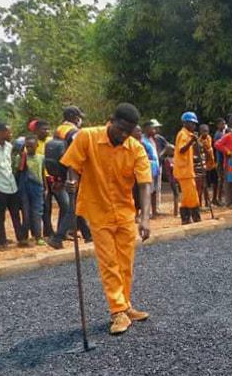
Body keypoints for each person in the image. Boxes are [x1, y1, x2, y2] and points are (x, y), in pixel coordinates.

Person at [60, 103, 152, 336]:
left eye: (128, 132)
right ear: (111, 120)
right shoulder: (87, 137)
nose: (123, 135)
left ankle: (126, 305)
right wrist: (72, 180)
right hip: (97, 211)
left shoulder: (135, 148)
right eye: (121, 129)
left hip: (124, 212)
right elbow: (73, 164)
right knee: (109, 263)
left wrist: (146, 218)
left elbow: (145, 184)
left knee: (126, 263)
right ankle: (117, 311)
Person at [46, 106, 92, 248]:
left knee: (78, 203)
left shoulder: (59, 130)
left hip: (62, 171)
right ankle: (58, 237)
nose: (80, 120)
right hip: (73, 171)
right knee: (75, 206)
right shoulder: (74, 132)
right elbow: (80, 150)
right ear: (74, 117)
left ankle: (88, 235)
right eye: (79, 117)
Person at [17, 134, 46, 244]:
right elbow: (19, 170)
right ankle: (24, 237)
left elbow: (42, 173)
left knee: (37, 212)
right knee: (26, 212)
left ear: (36, 146)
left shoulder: (41, 158)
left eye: (31, 146)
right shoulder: (21, 158)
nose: (29, 149)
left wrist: (45, 188)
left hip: (37, 187)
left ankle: (38, 236)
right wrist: (21, 155)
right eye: (27, 146)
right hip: (24, 187)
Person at [174, 112, 201, 224]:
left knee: (187, 195)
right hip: (184, 171)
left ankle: (185, 218)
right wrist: (192, 141)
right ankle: (196, 217)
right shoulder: (183, 134)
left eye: (195, 124)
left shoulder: (187, 135)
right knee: (192, 195)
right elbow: (181, 150)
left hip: (187, 170)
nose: (194, 126)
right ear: (185, 123)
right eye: (192, 123)